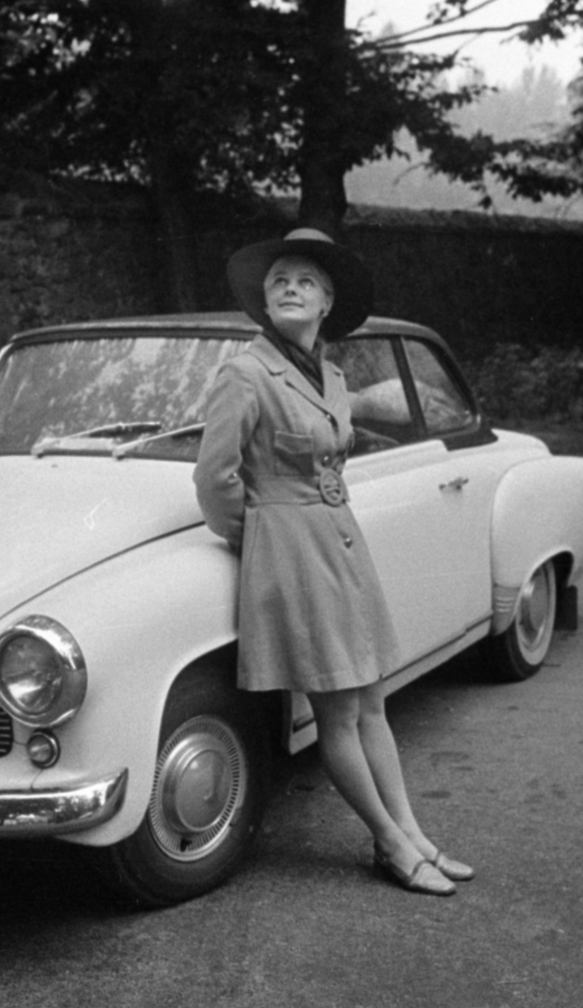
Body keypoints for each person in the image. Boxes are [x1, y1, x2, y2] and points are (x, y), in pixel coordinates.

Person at [193, 227, 473, 897]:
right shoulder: (244, 372)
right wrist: (261, 540)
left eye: (306, 282)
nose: (291, 287)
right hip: (291, 550)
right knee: (337, 712)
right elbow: (214, 480)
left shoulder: (335, 375)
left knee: (373, 699)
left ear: (326, 303)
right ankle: (390, 843)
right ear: (265, 302)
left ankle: (414, 832)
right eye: (280, 280)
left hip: (341, 543)